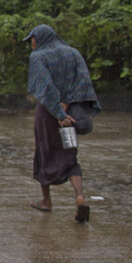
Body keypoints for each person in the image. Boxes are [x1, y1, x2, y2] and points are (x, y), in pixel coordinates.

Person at [25, 24, 101, 223]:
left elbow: (46, 87)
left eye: (31, 39)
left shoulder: (38, 57)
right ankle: (79, 196)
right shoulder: (73, 53)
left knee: (44, 153)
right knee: (70, 154)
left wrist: (58, 111)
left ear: (39, 38)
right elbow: (82, 81)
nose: (31, 43)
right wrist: (67, 104)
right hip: (70, 116)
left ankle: (46, 201)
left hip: (48, 114)